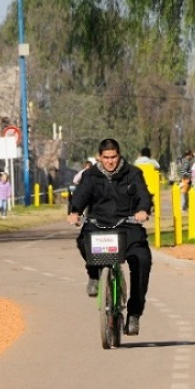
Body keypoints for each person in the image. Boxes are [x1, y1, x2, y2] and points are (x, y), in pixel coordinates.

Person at [66, 139, 153, 336]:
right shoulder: (91, 176)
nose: (110, 161)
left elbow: (143, 195)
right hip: (98, 226)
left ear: (119, 155)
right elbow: (80, 196)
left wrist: (142, 210)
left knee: (142, 260)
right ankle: (94, 275)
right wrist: (75, 212)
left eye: (114, 157)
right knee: (83, 241)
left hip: (128, 226)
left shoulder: (132, 173)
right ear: (99, 157)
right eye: (106, 158)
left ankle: (134, 314)